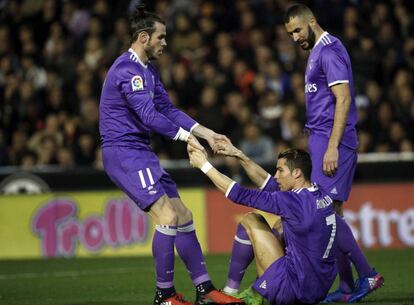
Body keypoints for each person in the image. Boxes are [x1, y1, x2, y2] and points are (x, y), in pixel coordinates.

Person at [99, 5, 244, 305]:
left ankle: (204, 290)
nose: (166, 43)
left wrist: (206, 133)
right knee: (166, 216)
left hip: (141, 151)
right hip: (124, 153)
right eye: (161, 37)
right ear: (143, 37)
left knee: (182, 215)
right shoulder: (127, 71)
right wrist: (186, 138)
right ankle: (164, 295)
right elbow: (149, 115)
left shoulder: (148, 69)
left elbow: (166, 109)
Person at [283, 4, 383, 303]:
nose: (295, 37)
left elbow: (343, 99)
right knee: (331, 215)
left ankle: (367, 274)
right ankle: (348, 286)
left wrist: (331, 147)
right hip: (321, 139)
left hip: (333, 142)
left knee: (325, 212)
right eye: (290, 34)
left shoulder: (329, 50)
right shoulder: (316, 52)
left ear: (312, 21)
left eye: (298, 30)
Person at [188, 144, 343, 305]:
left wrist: (204, 165)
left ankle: (231, 292)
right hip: (318, 289)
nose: (276, 175)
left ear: (297, 173)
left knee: (251, 220)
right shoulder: (320, 193)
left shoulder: (292, 201)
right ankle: (257, 291)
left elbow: (239, 194)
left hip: (292, 290)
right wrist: (239, 155)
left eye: (280, 170)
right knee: (280, 225)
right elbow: (269, 184)